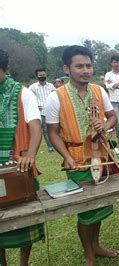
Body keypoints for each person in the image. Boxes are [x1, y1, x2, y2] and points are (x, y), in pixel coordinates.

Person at [45, 45, 119, 265]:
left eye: (88, 65)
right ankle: (88, 253)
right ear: (66, 68)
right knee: (86, 209)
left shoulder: (99, 90)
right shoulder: (55, 97)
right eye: (79, 66)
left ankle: (96, 246)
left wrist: (105, 126)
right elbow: (52, 132)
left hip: (101, 154)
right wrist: (67, 157)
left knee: (99, 204)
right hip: (77, 159)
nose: (85, 70)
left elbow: (112, 117)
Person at [0, 49, 43, 266]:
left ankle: (23, 263)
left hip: (18, 168)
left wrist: (32, 155)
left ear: (5, 69)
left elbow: (35, 126)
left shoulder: (23, 93)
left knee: (24, 220)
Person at [28, 68, 56, 152]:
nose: (42, 77)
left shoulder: (51, 86)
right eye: (40, 75)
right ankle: (50, 146)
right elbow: (29, 99)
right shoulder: (32, 87)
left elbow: (56, 96)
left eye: (44, 75)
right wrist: (36, 105)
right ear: (37, 76)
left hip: (51, 111)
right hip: (40, 112)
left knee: (54, 128)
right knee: (45, 130)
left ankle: (56, 144)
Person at [104, 55, 119, 144]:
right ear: (111, 63)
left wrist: (115, 85)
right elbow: (108, 86)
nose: (116, 64)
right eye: (114, 62)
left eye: (117, 62)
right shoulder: (108, 75)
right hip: (113, 101)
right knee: (117, 120)